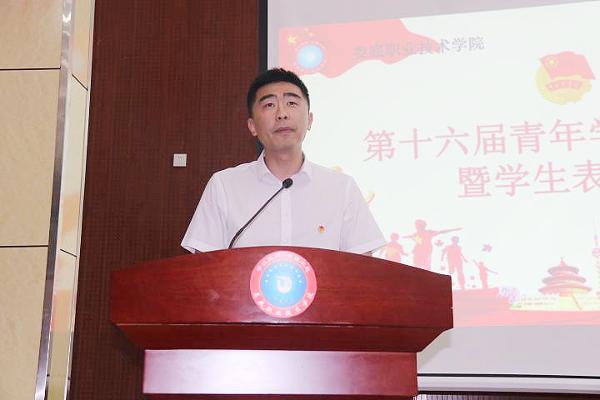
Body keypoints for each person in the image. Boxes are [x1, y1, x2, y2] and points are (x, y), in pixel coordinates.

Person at [181, 68, 385, 254]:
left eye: (291, 103)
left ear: (309, 120)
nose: (282, 114)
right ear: (252, 126)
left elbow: (362, 266)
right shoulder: (224, 185)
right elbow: (204, 265)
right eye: (269, 105)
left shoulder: (342, 188)